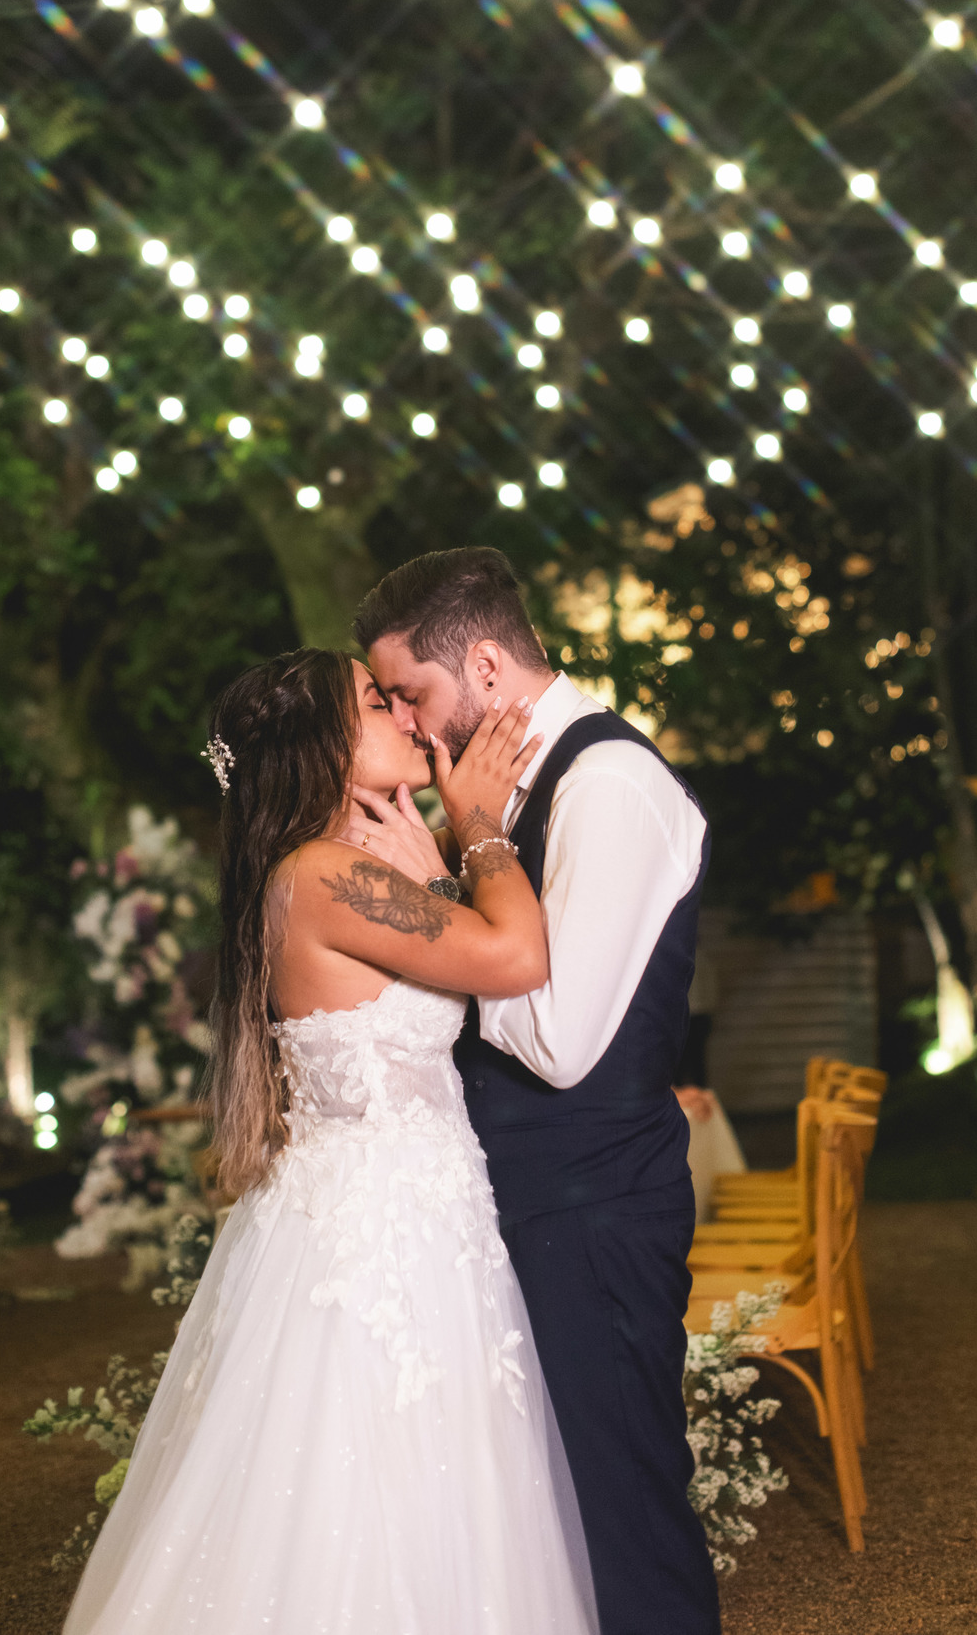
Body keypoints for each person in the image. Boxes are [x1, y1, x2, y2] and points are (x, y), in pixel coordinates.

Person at [63, 648, 598, 1635]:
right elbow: (517, 956)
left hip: (403, 1218)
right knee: (376, 1500)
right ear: (328, 746)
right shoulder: (324, 875)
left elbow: (438, 950)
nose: (399, 710)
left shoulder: (332, 870)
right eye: (372, 701)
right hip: (381, 1244)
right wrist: (480, 832)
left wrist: (436, 868)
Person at [356, 547, 722, 1635]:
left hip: (595, 1208)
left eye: (414, 695)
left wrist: (467, 878)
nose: (415, 726)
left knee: (625, 1514)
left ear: (482, 663)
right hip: (526, 1207)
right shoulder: (506, 790)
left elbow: (559, 1042)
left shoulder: (609, 785)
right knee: (551, 1522)